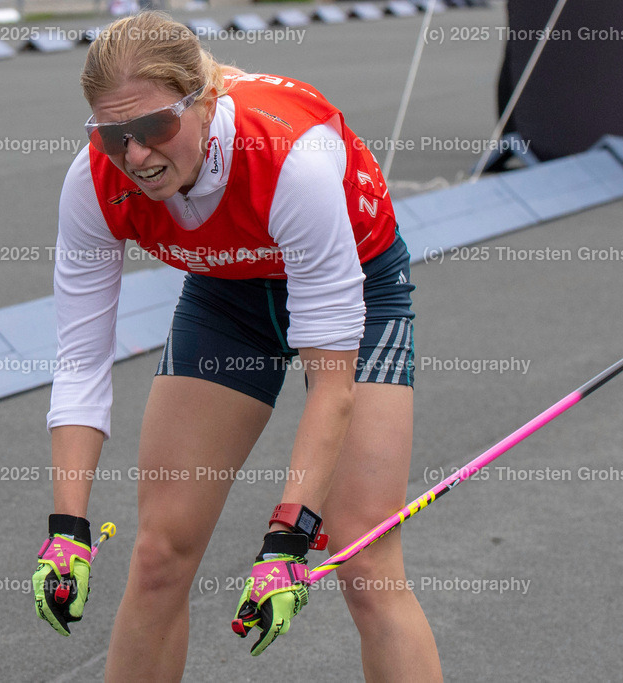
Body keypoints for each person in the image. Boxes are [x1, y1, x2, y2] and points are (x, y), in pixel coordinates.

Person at [32, 11, 443, 681]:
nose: (136, 155)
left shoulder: (292, 161)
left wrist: (289, 536)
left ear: (207, 101)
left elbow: (332, 386)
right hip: (230, 291)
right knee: (160, 553)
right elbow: (81, 359)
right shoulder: (94, 182)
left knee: (365, 559)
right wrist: (66, 528)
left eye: (157, 127)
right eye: (113, 134)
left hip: (356, 282)